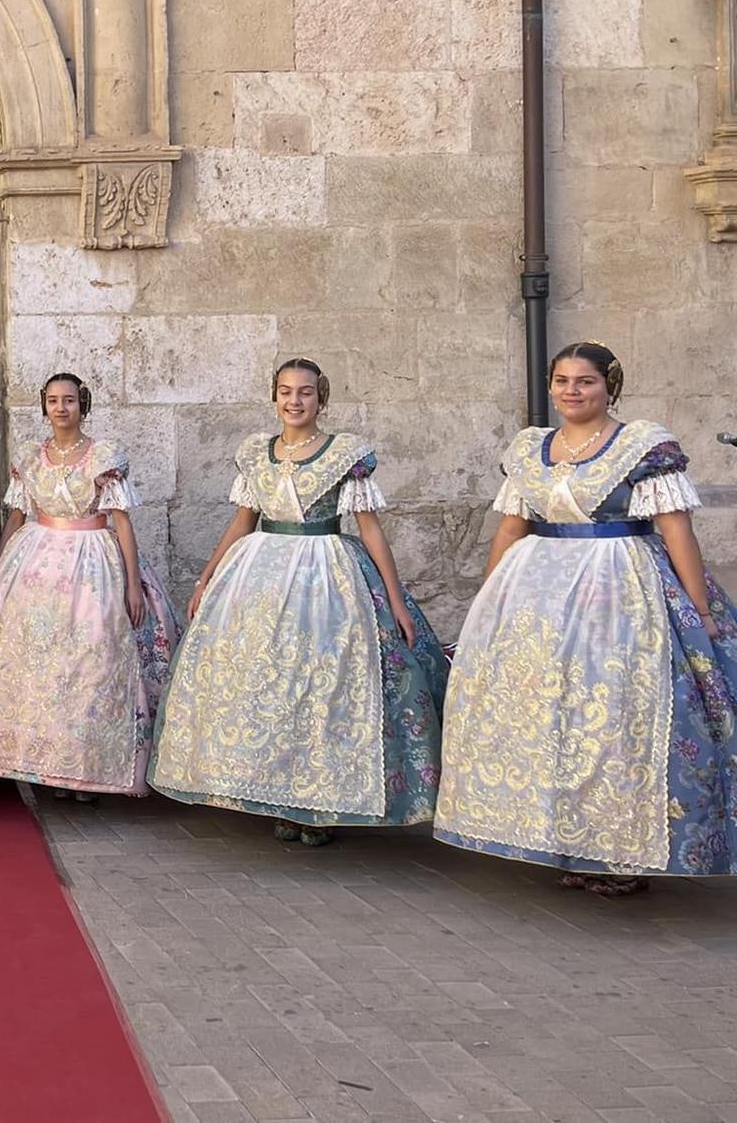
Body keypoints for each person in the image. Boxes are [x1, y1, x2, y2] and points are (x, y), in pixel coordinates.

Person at [435, 341, 737, 896]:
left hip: (622, 595)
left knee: (616, 719)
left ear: (610, 385)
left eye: (586, 381)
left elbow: (676, 530)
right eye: (562, 381)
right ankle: (566, 837)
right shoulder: (530, 449)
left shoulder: (643, 446)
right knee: (553, 716)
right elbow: (509, 528)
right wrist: (487, 601)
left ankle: (621, 852)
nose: (572, 391)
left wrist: (699, 610)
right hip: (536, 598)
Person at [150, 359, 447, 845]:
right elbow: (242, 520)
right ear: (274, 398)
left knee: (321, 686)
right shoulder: (254, 453)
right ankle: (278, 796)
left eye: (305, 392)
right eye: (285, 392)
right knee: (268, 685)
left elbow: (370, 529)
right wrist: (206, 577)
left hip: (329, 578)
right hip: (259, 577)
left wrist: (395, 598)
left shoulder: (345, 454)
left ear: (321, 398)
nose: (294, 401)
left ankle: (320, 803)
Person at [0, 373, 182, 800]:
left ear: (82, 404)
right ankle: (48, 768)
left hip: (93, 563)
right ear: (44, 405)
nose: (61, 408)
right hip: (36, 563)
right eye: (53, 400)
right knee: (42, 669)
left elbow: (122, 522)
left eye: (69, 400)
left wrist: (131, 585)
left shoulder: (104, 457)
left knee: (89, 663)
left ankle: (88, 770)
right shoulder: (32, 459)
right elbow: (16, 517)